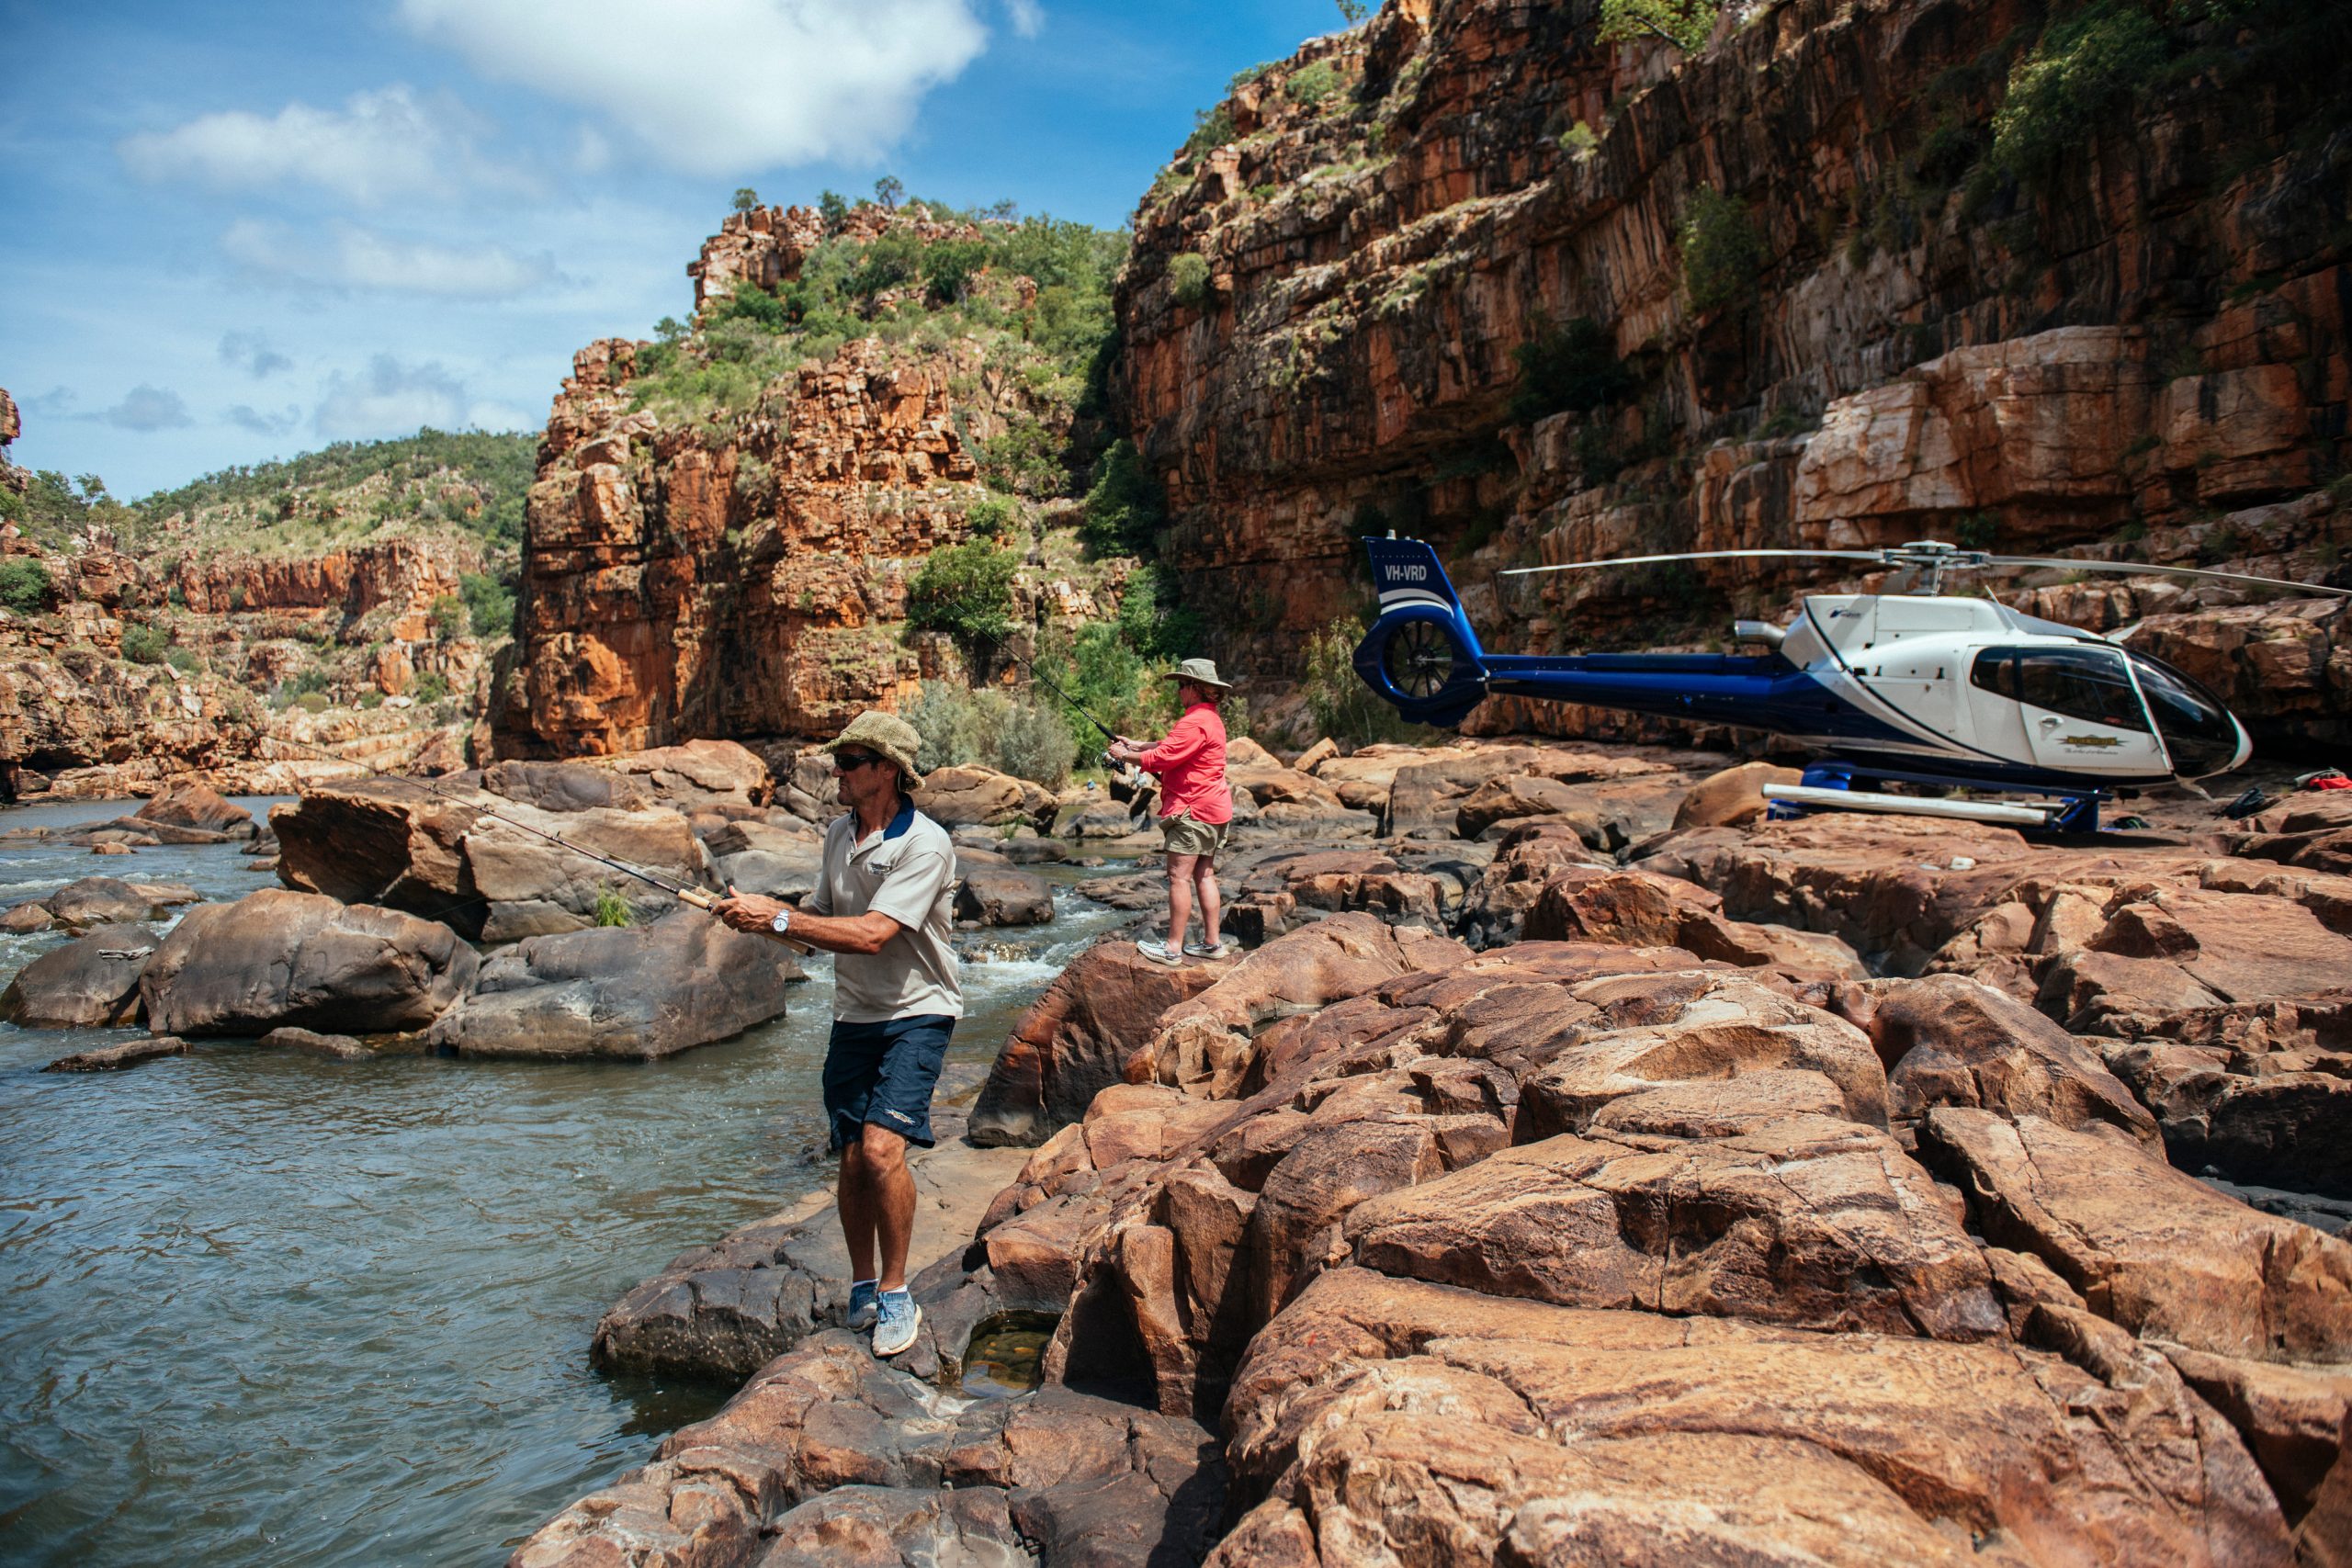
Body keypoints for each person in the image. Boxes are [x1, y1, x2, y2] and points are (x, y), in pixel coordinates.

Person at [715, 711, 959, 1359]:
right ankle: (861, 1284)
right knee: (851, 1153)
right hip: (854, 1016)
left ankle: (897, 1289)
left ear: (887, 770)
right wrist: (760, 919)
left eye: (849, 761)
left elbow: (875, 933)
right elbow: (823, 919)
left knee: (882, 1151)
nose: (836, 771)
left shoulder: (925, 844)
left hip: (919, 1010)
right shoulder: (837, 834)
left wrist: (780, 917)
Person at [1107, 657, 1234, 965]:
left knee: (1179, 878)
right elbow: (1170, 745)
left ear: (1195, 687)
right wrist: (1135, 744)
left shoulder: (1194, 721)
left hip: (1192, 810)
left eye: (1181, 685)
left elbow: (1162, 758)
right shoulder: (1210, 718)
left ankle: (1172, 949)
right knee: (1204, 874)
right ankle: (1212, 944)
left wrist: (1124, 754)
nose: (1178, 691)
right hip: (1214, 808)